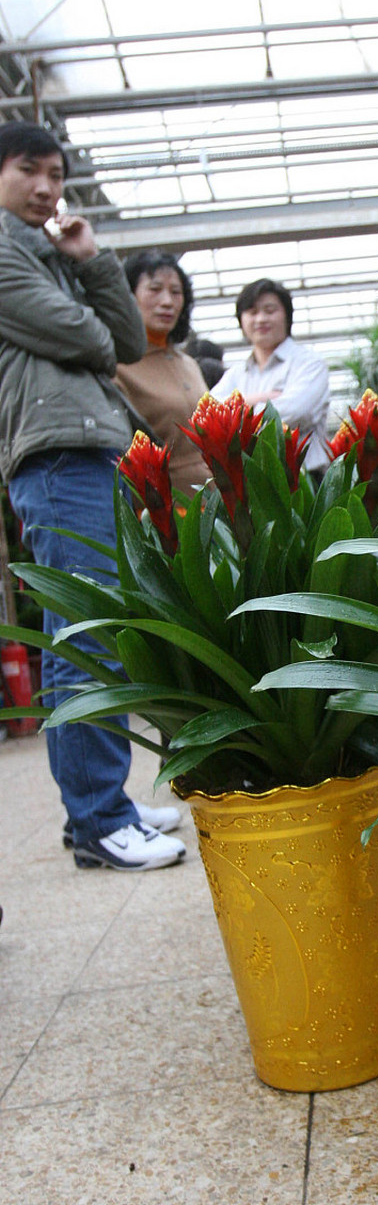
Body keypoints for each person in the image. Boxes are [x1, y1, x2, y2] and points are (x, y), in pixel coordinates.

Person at [0, 121, 185, 870]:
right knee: (87, 639)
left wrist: (92, 258)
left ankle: (102, 805)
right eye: (27, 171)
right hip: (56, 453)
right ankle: (98, 819)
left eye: (54, 173)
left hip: (88, 448)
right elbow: (89, 340)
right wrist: (83, 306)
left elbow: (126, 339)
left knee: (103, 629)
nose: (46, 188)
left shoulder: (47, 253)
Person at [212, 278, 330, 477]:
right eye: (252, 311)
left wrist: (239, 408)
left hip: (306, 478)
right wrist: (260, 400)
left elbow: (295, 412)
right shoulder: (236, 373)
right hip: (254, 480)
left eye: (269, 310)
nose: (260, 319)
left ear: (287, 316)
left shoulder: (310, 363)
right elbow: (212, 412)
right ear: (241, 320)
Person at [117, 250, 210, 497]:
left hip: (214, 501)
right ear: (128, 296)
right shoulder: (119, 366)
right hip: (162, 507)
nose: (167, 301)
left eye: (176, 292)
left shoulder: (189, 364)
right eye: (155, 289)